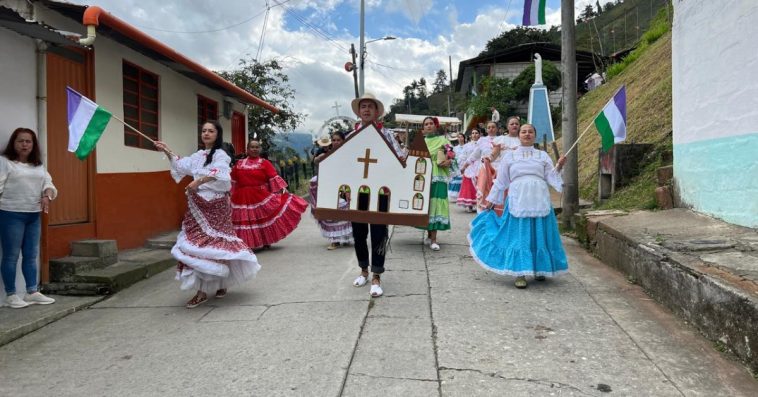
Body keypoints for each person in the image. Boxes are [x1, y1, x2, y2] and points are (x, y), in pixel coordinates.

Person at [154, 121, 260, 308]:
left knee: (217, 246)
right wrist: (166, 149)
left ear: (217, 134)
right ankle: (201, 291)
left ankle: (221, 282)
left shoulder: (220, 155)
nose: (206, 133)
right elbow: (181, 164)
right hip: (197, 207)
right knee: (196, 246)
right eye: (204, 131)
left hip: (217, 207)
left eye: (211, 131)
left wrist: (199, 181)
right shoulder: (197, 156)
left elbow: (220, 173)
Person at [468, 123, 568, 289]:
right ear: (519, 135)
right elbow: (501, 181)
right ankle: (519, 272)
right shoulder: (510, 157)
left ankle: (540, 269)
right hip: (518, 199)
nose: (527, 134)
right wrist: (491, 200)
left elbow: (550, 177)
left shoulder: (542, 156)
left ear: (534, 135)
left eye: (530, 131)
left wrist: (559, 166)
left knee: (540, 234)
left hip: (540, 198)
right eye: (524, 131)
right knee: (519, 236)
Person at [347, 93, 407, 297]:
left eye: (370, 107)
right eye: (363, 106)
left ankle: (376, 276)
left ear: (376, 112)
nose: (366, 110)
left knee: (379, 235)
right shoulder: (351, 135)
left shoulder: (387, 134)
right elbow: (343, 163)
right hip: (358, 193)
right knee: (358, 234)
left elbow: (400, 158)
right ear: (359, 111)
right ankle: (363, 270)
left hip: (381, 192)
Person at [0, 128, 57, 308]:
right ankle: (11, 295)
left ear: (33, 145)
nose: (25, 144)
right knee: (11, 256)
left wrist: (47, 194)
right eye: (21, 141)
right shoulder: (5, 162)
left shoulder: (38, 165)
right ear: (13, 143)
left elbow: (48, 182)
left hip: (33, 215)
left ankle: (31, 292)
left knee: (31, 255)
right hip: (11, 213)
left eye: (28, 141)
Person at [231, 139, 308, 251]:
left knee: (262, 219)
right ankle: (246, 244)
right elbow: (233, 181)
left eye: (257, 147)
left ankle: (265, 241)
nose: (254, 149)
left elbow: (273, 178)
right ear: (247, 149)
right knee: (246, 221)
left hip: (260, 196)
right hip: (241, 197)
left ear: (260, 149)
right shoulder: (239, 164)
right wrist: (229, 194)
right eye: (252, 147)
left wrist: (283, 192)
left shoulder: (265, 163)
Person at [309, 132, 353, 250]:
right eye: (333, 140)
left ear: (343, 141)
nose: (336, 142)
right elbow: (316, 162)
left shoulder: (348, 155)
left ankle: (344, 237)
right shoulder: (326, 154)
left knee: (343, 212)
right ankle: (335, 240)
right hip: (329, 186)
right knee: (331, 211)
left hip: (343, 186)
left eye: (338, 140)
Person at [418, 116, 452, 251]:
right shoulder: (421, 141)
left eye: (431, 123)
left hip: (438, 174)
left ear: (435, 126)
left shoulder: (443, 140)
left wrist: (449, 161)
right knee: (426, 204)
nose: (428, 126)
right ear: (423, 128)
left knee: (436, 203)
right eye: (426, 124)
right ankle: (429, 234)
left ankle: (434, 239)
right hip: (423, 174)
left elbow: (452, 155)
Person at [457, 128, 479, 212]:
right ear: (470, 136)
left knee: (478, 186)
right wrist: (461, 166)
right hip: (469, 167)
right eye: (473, 133)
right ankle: (470, 205)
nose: (474, 134)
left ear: (479, 135)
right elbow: (464, 156)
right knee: (469, 186)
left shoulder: (482, 144)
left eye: (476, 133)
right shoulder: (467, 145)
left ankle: (478, 204)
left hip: (479, 166)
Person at [447, 132, 465, 202]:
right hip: (456, 166)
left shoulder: (467, 146)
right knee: (456, 180)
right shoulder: (455, 148)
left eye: (461, 137)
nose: (460, 138)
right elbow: (453, 157)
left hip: (464, 165)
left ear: (464, 138)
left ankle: (463, 196)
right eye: (459, 137)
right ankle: (455, 196)